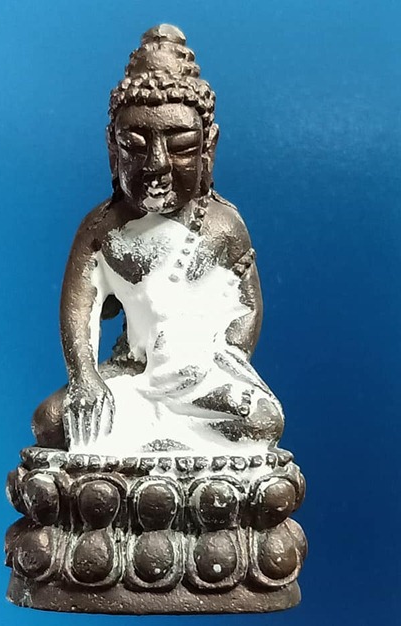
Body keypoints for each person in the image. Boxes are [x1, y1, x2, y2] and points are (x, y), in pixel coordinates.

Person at [33, 25, 284, 454]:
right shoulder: (100, 229)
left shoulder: (223, 225)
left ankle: (160, 439)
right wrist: (85, 377)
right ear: (112, 149)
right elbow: (78, 311)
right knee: (50, 422)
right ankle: (156, 440)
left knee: (262, 420)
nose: (157, 165)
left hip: (201, 379)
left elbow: (248, 306)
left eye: (181, 145)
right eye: (135, 145)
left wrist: (225, 358)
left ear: (208, 148)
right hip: (133, 370)